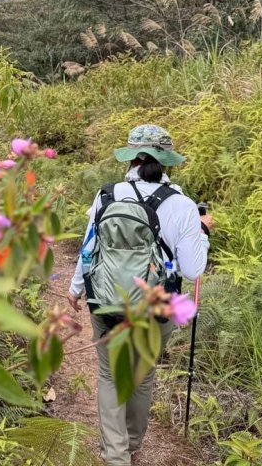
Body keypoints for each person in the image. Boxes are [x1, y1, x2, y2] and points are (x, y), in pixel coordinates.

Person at [66, 124, 212, 466]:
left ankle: (115, 456)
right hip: (156, 306)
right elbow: (193, 270)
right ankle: (132, 443)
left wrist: (75, 289)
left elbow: (89, 249)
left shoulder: (106, 195)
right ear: (167, 162)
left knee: (109, 375)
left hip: (106, 301)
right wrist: (203, 233)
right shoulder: (182, 205)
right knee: (142, 376)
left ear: (130, 158)